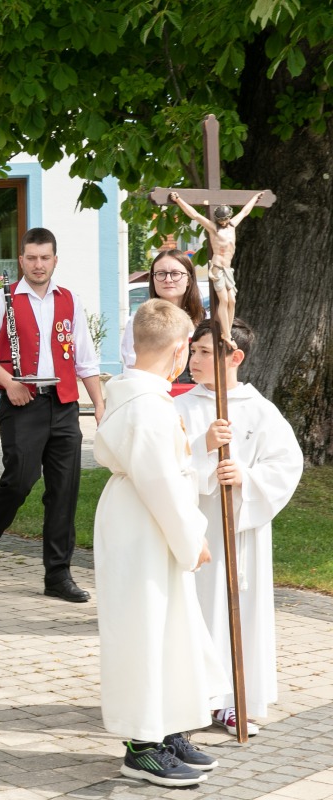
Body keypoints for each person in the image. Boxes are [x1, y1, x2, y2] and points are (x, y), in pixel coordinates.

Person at [93, 299, 224, 787]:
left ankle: (166, 727)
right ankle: (141, 745)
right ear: (179, 349)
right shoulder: (146, 405)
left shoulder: (141, 395)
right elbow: (160, 481)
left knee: (170, 628)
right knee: (143, 630)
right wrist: (192, 537)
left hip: (146, 520)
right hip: (143, 524)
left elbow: (170, 467)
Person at [176, 318, 303, 737]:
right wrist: (203, 451)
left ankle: (233, 699)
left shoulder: (259, 409)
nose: (194, 359)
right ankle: (190, 698)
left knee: (237, 612)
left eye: (205, 352)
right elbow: (164, 464)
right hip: (197, 526)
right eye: (193, 350)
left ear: (235, 357)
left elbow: (286, 464)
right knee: (194, 609)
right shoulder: (180, 407)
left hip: (240, 529)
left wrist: (245, 476)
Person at [0, 227, 105, 602]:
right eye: (31, 258)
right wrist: (9, 383)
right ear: (21, 260)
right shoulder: (1, 299)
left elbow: (85, 360)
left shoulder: (70, 300)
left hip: (64, 404)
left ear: (55, 260)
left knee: (64, 491)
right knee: (20, 480)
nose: (38, 264)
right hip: (21, 403)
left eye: (45, 258)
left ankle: (57, 575)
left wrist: (100, 406)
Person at [169, 191, 264, 350]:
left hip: (227, 269)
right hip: (218, 267)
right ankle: (226, 334)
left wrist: (254, 198)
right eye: (221, 220)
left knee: (232, 301)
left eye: (225, 219)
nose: (223, 222)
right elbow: (194, 215)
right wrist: (178, 200)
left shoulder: (232, 225)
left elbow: (245, 212)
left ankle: (228, 330)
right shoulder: (214, 228)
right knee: (224, 301)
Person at [120, 249, 205, 395]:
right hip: (154, 394)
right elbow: (132, 364)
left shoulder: (203, 319)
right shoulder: (140, 319)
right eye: (161, 274)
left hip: (196, 396)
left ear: (189, 279)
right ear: (153, 279)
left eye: (175, 273)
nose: (168, 279)